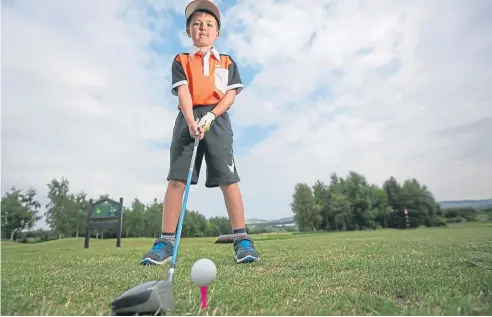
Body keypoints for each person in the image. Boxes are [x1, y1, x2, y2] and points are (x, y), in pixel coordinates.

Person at [141, 0, 259, 265]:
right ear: (189, 32)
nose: (202, 28)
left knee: (228, 179)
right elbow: (183, 91)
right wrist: (191, 119)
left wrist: (211, 116)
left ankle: (242, 240)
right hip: (187, 118)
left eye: (208, 24)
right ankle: (165, 243)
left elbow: (230, 96)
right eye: (196, 24)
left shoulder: (227, 62)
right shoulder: (181, 60)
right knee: (177, 180)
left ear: (217, 32)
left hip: (217, 120)